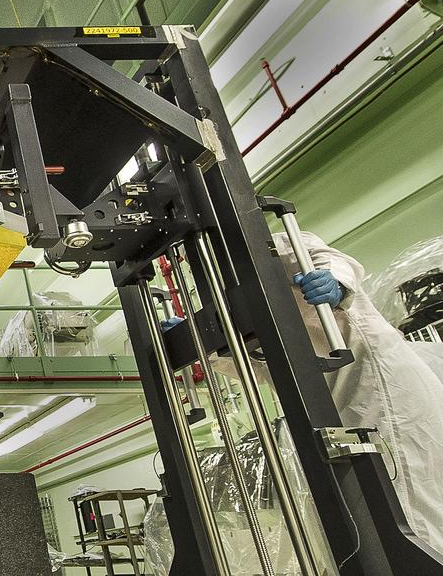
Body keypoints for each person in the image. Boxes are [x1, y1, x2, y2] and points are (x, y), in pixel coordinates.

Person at [163, 231, 443, 553]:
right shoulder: (213, 290)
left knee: (407, 499)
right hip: (321, 400)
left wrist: (335, 283)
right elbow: (257, 367)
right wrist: (203, 347)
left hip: (376, 382)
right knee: (363, 514)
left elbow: (333, 260)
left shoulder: (269, 243)